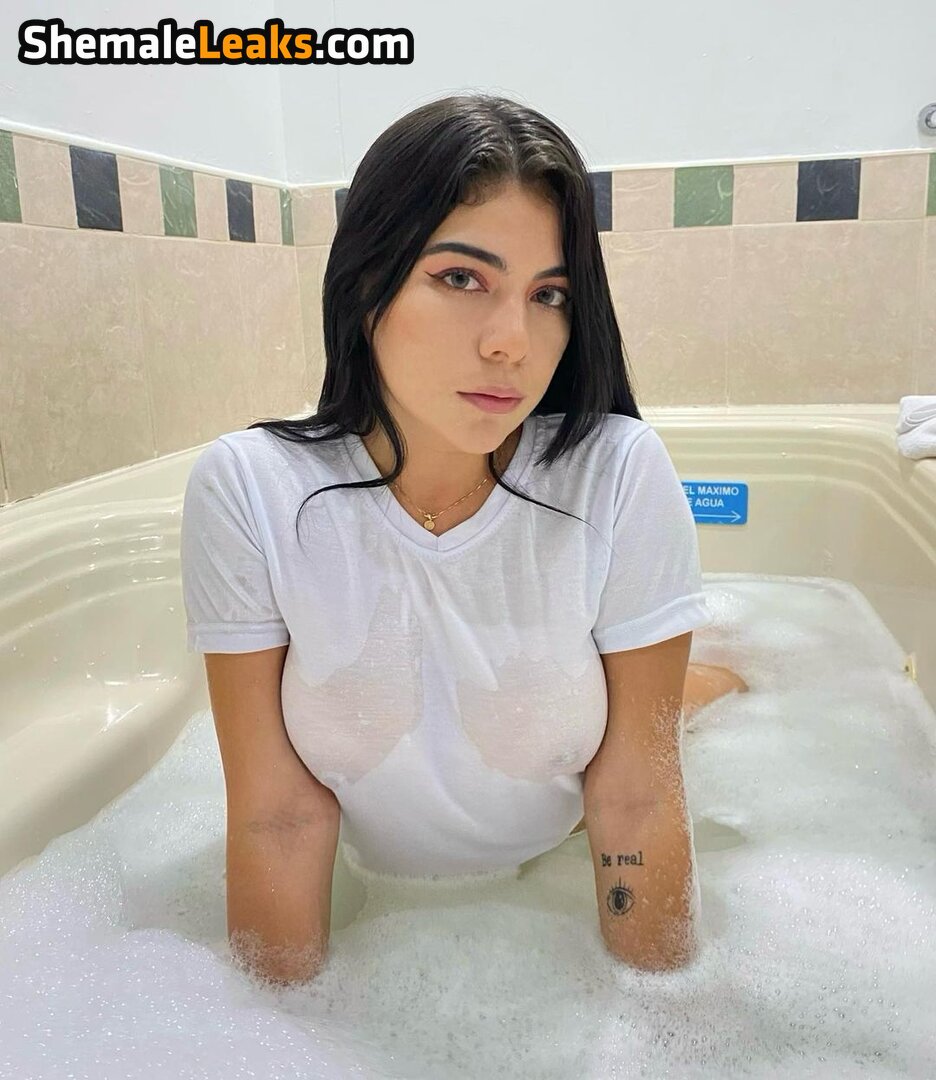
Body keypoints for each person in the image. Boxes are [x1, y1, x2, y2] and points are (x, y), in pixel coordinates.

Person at [180, 92, 747, 983]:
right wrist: (273, 1031)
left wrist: (661, 1018)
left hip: (562, 830)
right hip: (386, 880)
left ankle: (724, 670)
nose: (512, 342)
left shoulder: (613, 470)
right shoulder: (251, 489)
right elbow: (277, 814)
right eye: (461, 278)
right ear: (366, 280)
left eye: (549, 294)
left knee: (711, 694)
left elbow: (635, 796)